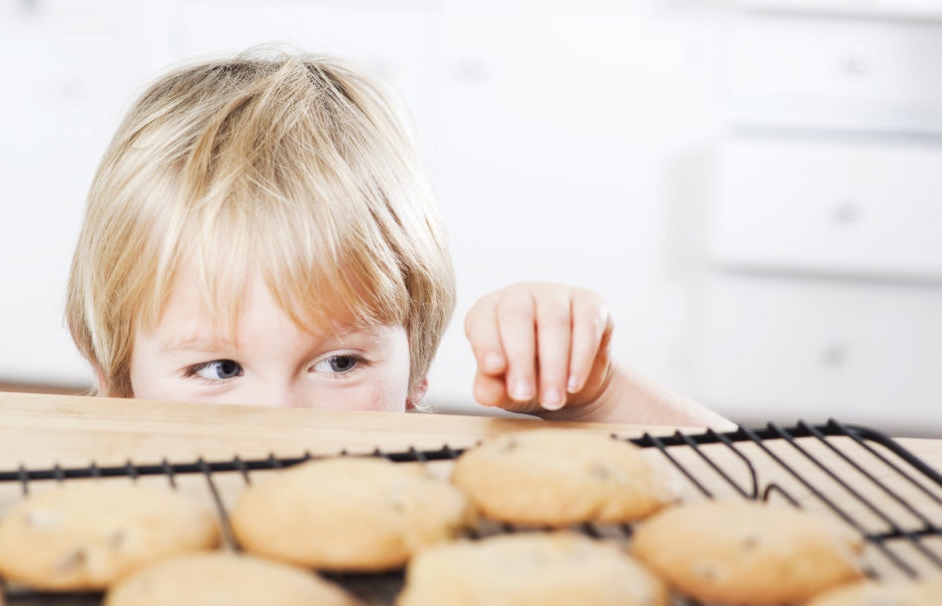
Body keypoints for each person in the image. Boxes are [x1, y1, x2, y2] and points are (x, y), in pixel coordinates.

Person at [65, 46, 729, 429]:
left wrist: (599, 394)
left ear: (415, 362)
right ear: (118, 379)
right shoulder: (102, 504)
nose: (283, 420)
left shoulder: (427, 478)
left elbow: (749, 484)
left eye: (340, 363)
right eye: (219, 369)